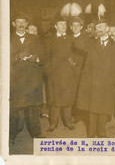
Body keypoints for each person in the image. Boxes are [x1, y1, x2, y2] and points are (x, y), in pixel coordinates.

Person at [74, 19, 115, 138]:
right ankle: (91, 132)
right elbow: (77, 44)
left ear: (107, 29)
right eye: (98, 27)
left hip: (108, 82)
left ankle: (101, 132)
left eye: (102, 26)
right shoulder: (91, 43)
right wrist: (87, 32)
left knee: (104, 108)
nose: (100, 29)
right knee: (92, 108)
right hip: (93, 81)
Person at [10, 12, 45, 145]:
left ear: (26, 24)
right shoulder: (7, 39)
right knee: (14, 109)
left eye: (23, 22)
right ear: (14, 24)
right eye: (18, 22)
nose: (21, 24)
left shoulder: (35, 38)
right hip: (16, 80)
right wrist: (16, 57)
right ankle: (11, 135)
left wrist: (35, 58)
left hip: (32, 80)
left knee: (33, 108)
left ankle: (36, 134)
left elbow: (43, 57)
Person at [46, 14, 77, 132]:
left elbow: (76, 55)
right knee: (55, 100)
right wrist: (49, 72)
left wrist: (73, 63)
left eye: (64, 24)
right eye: (60, 24)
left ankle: (68, 122)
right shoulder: (50, 40)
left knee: (68, 99)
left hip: (68, 74)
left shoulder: (71, 39)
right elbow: (46, 57)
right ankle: (53, 124)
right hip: (55, 74)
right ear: (55, 26)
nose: (63, 26)